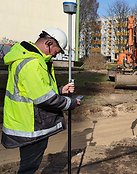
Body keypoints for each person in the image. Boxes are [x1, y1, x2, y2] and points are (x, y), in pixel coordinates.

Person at [1, 28, 80, 173]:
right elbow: (45, 99)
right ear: (49, 43)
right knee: (29, 168)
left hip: (25, 121)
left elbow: (36, 90)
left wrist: (60, 90)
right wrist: (71, 103)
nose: (57, 54)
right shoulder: (32, 63)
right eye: (58, 50)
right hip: (30, 125)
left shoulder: (28, 58)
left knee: (29, 165)